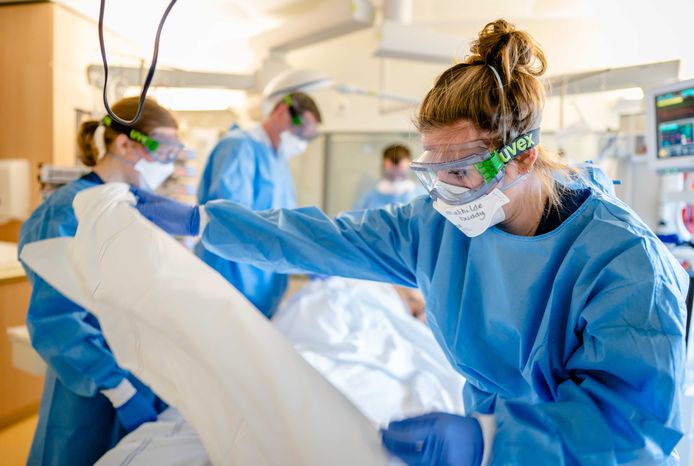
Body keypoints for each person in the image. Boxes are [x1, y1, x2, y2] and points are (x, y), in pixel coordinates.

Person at [132, 20, 688, 465]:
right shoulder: (435, 226)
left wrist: (490, 440)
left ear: (520, 157)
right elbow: (323, 237)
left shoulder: (624, 264)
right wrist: (206, 222)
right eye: (433, 173)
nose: (445, 194)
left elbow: (632, 425)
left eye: (463, 173)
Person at [18, 97, 184, 466]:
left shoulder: (131, 203)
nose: (170, 162)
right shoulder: (68, 209)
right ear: (124, 144)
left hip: (141, 373)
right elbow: (56, 318)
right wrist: (119, 389)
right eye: (165, 149)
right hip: (92, 385)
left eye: (176, 151)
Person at [194, 92, 322, 318]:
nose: (301, 142)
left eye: (307, 138)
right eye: (300, 132)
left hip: (264, 280)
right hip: (233, 274)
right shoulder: (238, 147)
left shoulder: (278, 158)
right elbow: (231, 219)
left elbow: (283, 217)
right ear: (282, 112)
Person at [353, 143, 425, 210]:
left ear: (410, 164)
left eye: (399, 168)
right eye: (392, 167)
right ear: (383, 165)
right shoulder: (369, 198)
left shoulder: (422, 195)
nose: (396, 171)